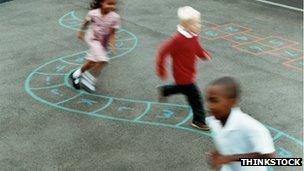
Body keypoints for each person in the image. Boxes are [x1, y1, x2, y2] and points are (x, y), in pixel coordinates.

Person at [156, 6, 211, 130]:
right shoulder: (177, 39)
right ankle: (198, 120)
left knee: (183, 89)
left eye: (199, 22)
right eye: (197, 23)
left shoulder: (193, 35)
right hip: (182, 74)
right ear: (187, 25)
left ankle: (165, 90)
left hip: (189, 71)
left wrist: (203, 55)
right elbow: (162, 52)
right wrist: (161, 69)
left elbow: (196, 47)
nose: (200, 25)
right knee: (195, 98)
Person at [205, 76, 275, 171]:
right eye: (208, 100)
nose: (210, 106)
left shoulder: (251, 126)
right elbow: (230, 143)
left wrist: (229, 158)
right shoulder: (213, 122)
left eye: (214, 100)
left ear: (232, 102)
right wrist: (217, 154)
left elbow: (269, 158)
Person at [70, 0, 120, 92]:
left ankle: (76, 74)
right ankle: (89, 80)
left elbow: (112, 32)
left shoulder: (115, 17)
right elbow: (86, 22)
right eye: (109, 3)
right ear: (101, 3)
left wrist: (112, 44)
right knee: (103, 60)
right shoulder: (93, 13)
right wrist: (81, 32)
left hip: (103, 41)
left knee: (91, 62)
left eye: (113, 4)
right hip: (93, 38)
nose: (111, 6)